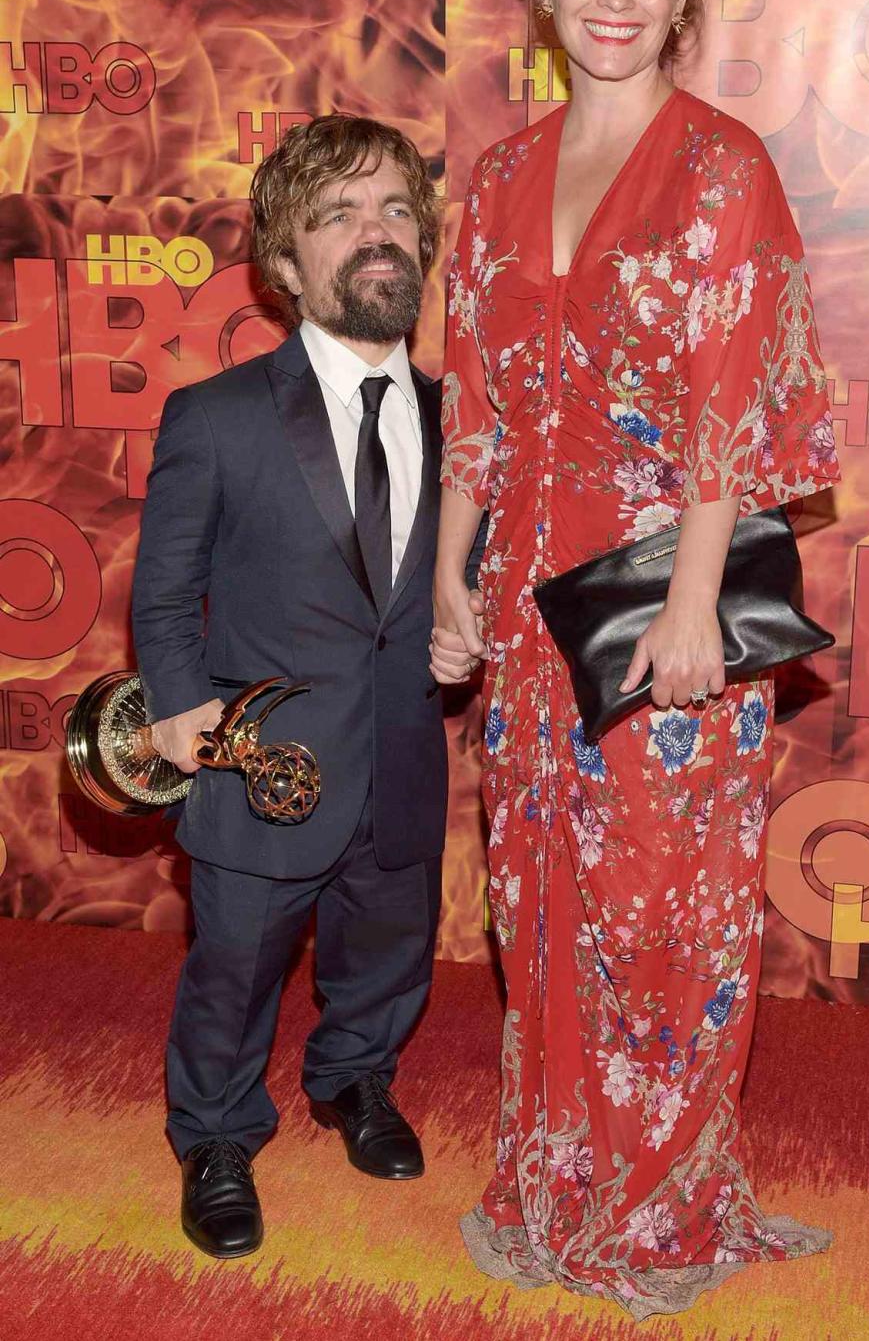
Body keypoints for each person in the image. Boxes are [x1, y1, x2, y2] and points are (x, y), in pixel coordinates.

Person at [431, 0, 840, 1323]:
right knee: (541, 905)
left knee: (664, 912)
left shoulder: (723, 165)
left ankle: (659, 1212)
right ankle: (555, 1187)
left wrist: (689, 612)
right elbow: (475, 397)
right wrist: (448, 579)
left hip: (668, 586)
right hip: (533, 596)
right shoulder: (494, 175)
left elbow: (737, 405)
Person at [133, 114, 456, 1260]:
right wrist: (176, 700)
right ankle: (216, 1135)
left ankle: (354, 1080)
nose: (376, 236)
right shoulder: (216, 418)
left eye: (396, 212)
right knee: (234, 965)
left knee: (389, 947)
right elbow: (165, 593)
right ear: (285, 264)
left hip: (406, 748)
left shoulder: (461, 416)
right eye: (338, 216)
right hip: (262, 761)